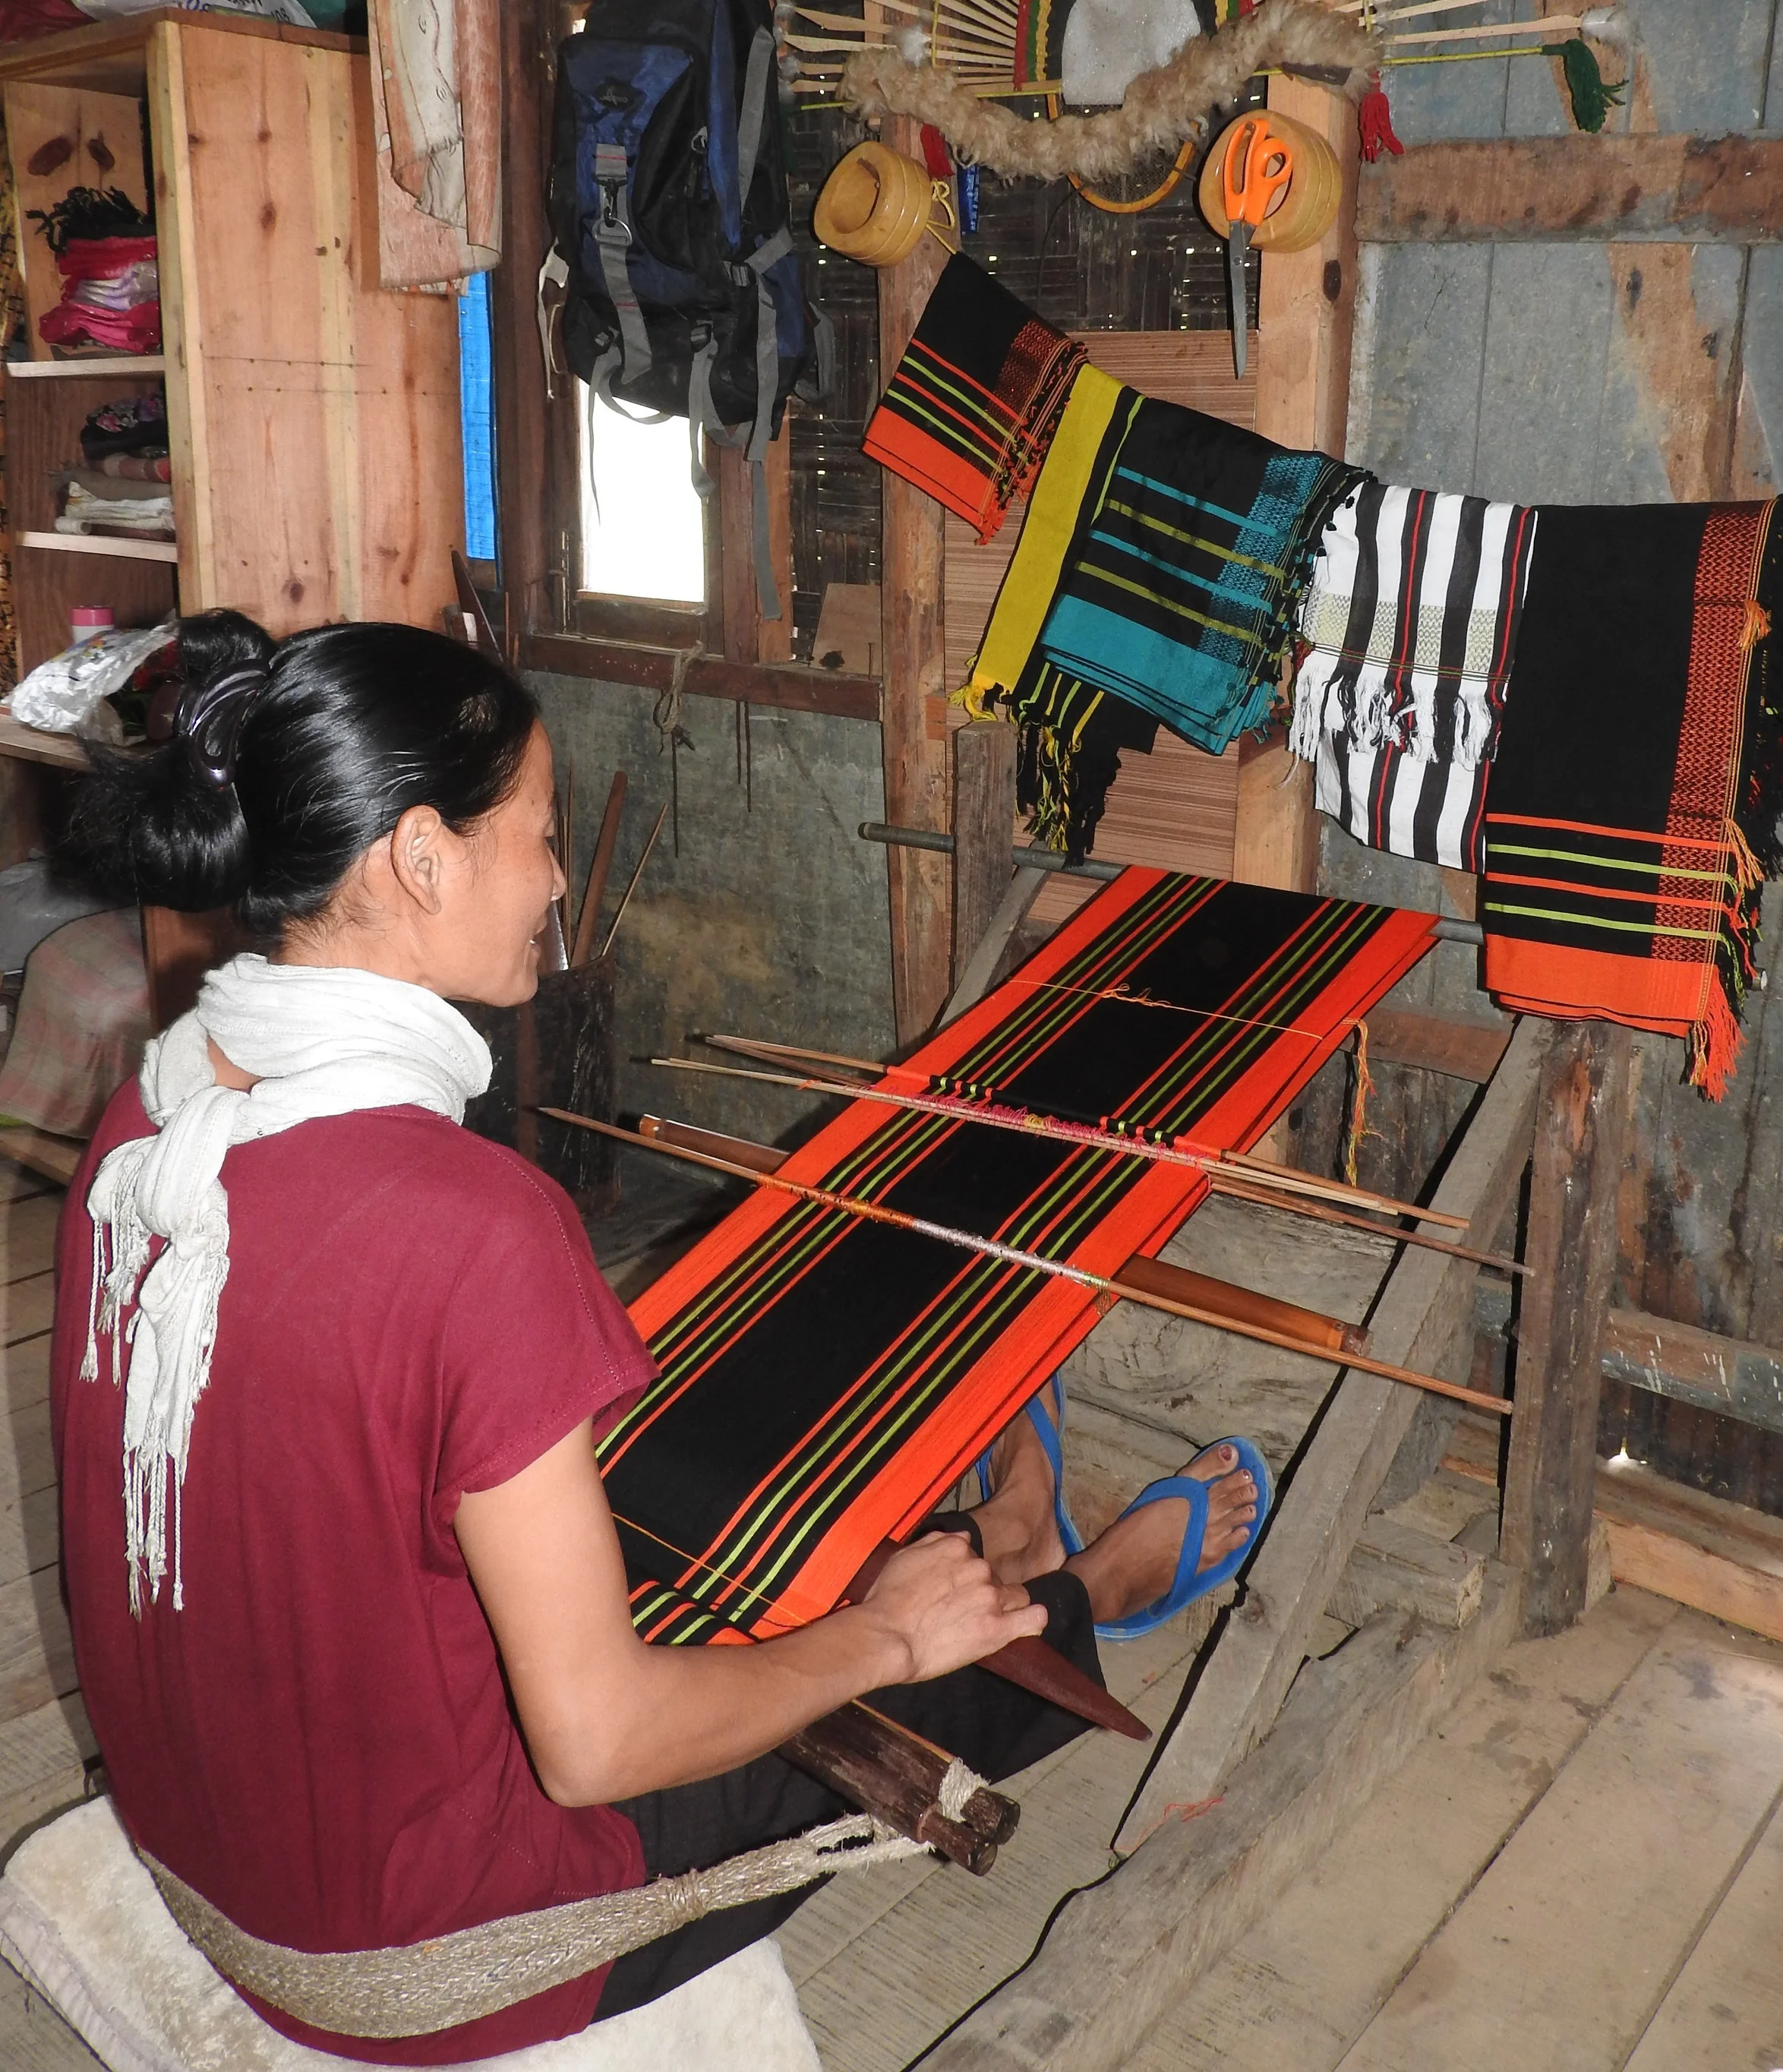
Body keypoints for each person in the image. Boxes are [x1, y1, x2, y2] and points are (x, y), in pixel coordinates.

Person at [50, 610, 1263, 2066]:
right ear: (422, 858)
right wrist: (878, 1638)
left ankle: (998, 1519)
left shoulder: (151, 1121)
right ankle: (1089, 1590)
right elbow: (599, 1746)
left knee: (704, 1534)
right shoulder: (471, 1225)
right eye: (540, 832)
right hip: (435, 1954)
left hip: (214, 1860)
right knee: (906, 1648)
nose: (559, 879)